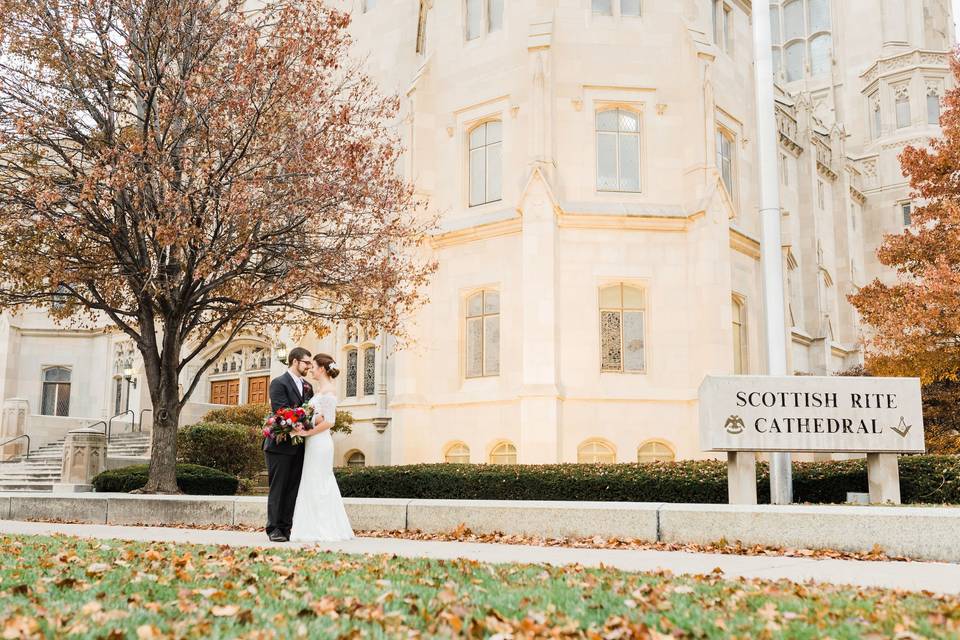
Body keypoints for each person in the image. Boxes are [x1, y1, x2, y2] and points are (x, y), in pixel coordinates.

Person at [289, 352, 354, 542]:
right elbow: (318, 417)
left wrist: (307, 432)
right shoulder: (319, 391)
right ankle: (310, 527)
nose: (311, 370)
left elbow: (330, 422)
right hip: (314, 442)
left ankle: (323, 528)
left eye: (314, 367)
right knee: (312, 481)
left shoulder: (329, 392)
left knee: (319, 482)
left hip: (320, 443)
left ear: (323, 369)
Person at [264, 347, 314, 542]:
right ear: (295, 361)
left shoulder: (308, 386)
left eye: (310, 363)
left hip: (300, 445)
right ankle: (273, 528)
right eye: (306, 363)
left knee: (293, 488)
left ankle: (286, 528)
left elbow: (311, 411)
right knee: (279, 487)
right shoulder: (278, 383)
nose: (309, 366)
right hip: (279, 446)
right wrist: (304, 417)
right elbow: (281, 410)